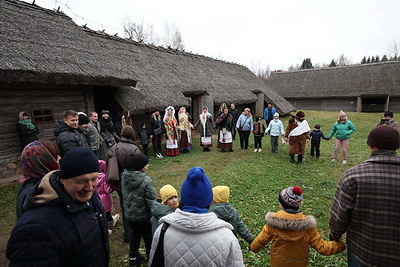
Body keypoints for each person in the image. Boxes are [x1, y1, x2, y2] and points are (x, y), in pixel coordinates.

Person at [7, 147, 110, 266]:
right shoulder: (36, 229)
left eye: (94, 179)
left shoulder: (87, 197)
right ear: (63, 180)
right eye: (81, 181)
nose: (90, 187)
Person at [329, 125, 400, 266]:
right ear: (397, 147)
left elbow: (339, 215)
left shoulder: (353, 176)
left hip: (363, 251)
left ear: (370, 146)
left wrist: (335, 235)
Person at [148, 167, 244, 266]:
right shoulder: (228, 237)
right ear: (209, 200)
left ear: (183, 198)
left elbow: (153, 262)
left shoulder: (162, 230)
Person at [250, 186, 345, 267]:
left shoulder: (273, 223)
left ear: (282, 205)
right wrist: (341, 245)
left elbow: (260, 240)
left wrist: (253, 248)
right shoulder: (308, 226)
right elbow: (323, 248)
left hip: (277, 263)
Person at [107, 125, 140, 243]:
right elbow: (138, 167)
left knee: (124, 205)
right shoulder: (134, 149)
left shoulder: (114, 147)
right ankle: (133, 232)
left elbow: (109, 163)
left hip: (119, 181)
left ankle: (128, 234)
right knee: (133, 205)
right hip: (131, 180)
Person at [122, 154, 156, 265]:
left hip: (130, 213)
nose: (148, 166)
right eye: (146, 164)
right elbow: (150, 200)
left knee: (135, 233)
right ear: (140, 166)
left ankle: (133, 257)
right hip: (143, 215)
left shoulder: (124, 177)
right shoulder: (146, 180)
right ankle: (151, 258)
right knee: (148, 236)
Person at [16, 139, 60, 219]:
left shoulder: (27, 182)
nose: (59, 158)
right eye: (55, 156)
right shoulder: (37, 192)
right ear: (44, 161)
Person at [97, 160, 119, 235]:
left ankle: (111, 219)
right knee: (105, 215)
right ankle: (105, 230)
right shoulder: (104, 177)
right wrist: (113, 186)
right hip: (105, 199)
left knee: (101, 213)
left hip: (97, 199)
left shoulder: (92, 177)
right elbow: (107, 189)